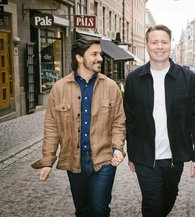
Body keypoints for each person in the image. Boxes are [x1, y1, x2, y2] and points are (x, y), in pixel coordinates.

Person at [32, 38, 126, 217]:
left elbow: (118, 122)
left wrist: (117, 148)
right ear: (79, 57)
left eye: (100, 54)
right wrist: (47, 160)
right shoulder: (59, 88)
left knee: (99, 209)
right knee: (82, 210)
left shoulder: (111, 87)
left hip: (104, 159)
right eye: (94, 54)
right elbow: (52, 127)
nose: (100, 58)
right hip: (75, 160)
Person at [123, 24, 195, 217]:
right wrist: (132, 153)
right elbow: (129, 119)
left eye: (164, 42)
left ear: (170, 44)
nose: (159, 47)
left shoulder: (188, 78)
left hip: (174, 158)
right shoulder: (134, 78)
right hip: (145, 157)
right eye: (154, 42)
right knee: (152, 206)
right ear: (147, 45)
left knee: (168, 198)